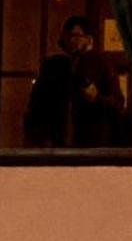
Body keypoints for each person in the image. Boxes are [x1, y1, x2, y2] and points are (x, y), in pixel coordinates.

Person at [25, 15, 126, 148]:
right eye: (68, 35)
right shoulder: (52, 65)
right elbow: (36, 104)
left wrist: (97, 98)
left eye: (76, 36)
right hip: (56, 142)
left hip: (90, 142)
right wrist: (38, 137)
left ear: (88, 39)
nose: (71, 40)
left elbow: (118, 103)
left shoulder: (102, 64)